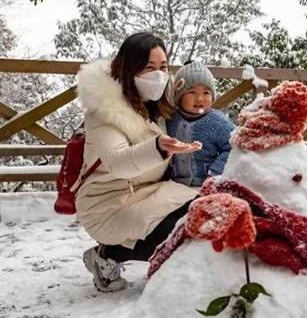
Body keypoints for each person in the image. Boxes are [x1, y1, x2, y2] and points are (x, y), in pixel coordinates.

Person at [74, 32, 201, 292]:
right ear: (129, 69)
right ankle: (107, 254)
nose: (158, 75)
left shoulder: (157, 104)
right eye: (149, 68)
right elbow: (117, 162)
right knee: (179, 236)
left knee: (202, 212)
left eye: (163, 67)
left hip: (146, 191)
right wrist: (156, 147)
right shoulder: (105, 111)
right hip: (107, 204)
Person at [165, 61, 235, 187]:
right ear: (179, 97)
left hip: (205, 186)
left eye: (206, 93)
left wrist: (214, 172)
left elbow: (233, 147)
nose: (200, 99)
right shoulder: (170, 119)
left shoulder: (217, 121)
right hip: (173, 184)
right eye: (192, 92)